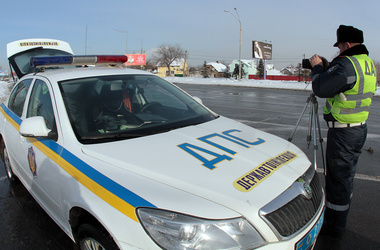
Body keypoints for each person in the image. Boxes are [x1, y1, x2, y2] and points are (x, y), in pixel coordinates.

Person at [309, 25, 377, 237]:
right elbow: (346, 84)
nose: (338, 50)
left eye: (339, 46)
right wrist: (330, 68)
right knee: (346, 177)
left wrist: (318, 69)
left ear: (346, 44)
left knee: (338, 180)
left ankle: (334, 226)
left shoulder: (347, 64)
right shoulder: (368, 63)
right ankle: (337, 217)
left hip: (344, 133)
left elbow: (321, 88)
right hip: (358, 129)